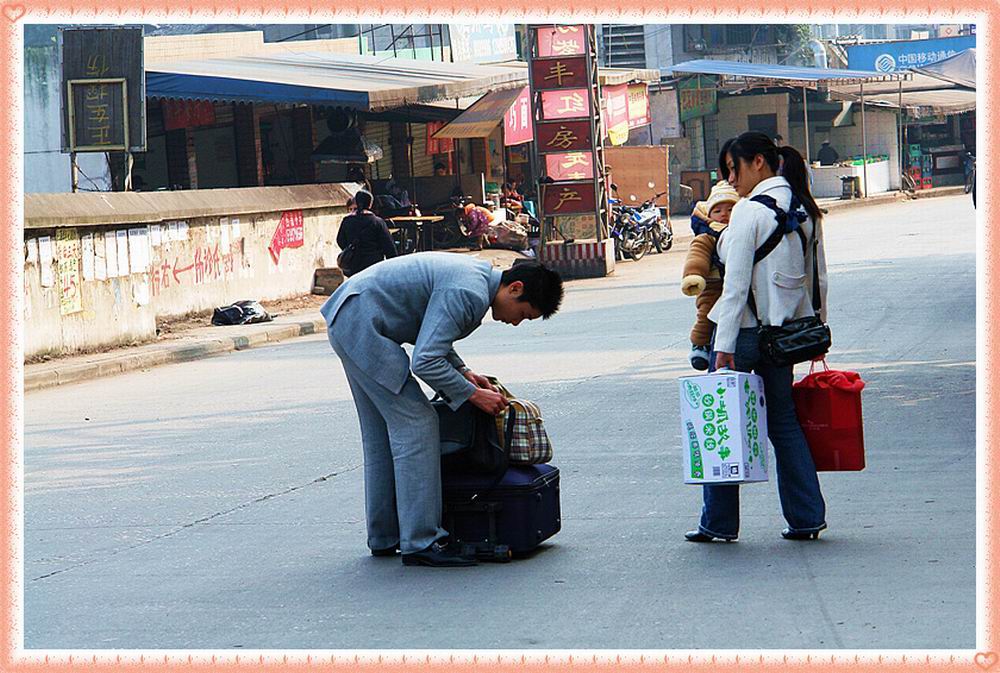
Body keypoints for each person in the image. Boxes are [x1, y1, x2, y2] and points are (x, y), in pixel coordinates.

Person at [321, 255, 564, 566]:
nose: (516, 322)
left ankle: (386, 535)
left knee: (381, 435)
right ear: (515, 288)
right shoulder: (469, 292)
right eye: (524, 314)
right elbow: (425, 360)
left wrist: (463, 372)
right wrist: (473, 395)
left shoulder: (474, 278)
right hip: (363, 325)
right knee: (418, 426)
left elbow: (432, 334)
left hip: (352, 319)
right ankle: (422, 541)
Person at [686, 131, 829, 544]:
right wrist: (815, 327)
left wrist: (723, 348)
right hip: (784, 338)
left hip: (743, 336)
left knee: (722, 424)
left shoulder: (749, 212)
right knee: (784, 425)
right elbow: (818, 280)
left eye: (734, 168)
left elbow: (733, 290)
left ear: (759, 163)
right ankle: (806, 518)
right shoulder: (804, 208)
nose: (731, 179)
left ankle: (718, 523)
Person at [681, 179, 740, 370]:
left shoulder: (743, 231)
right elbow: (696, 257)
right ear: (709, 214)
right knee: (706, 313)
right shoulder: (707, 236)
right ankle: (700, 345)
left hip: (737, 286)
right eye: (718, 210)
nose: (724, 214)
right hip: (712, 284)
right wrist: (693, 276)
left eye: (730, 209)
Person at [336, 190, 397, 277]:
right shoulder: (378, 222)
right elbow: (389, 247)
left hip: (353, 265)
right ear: (370, 204)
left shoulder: (347, 221)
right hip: (373, 266)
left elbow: (340, 240)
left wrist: (352, 248)